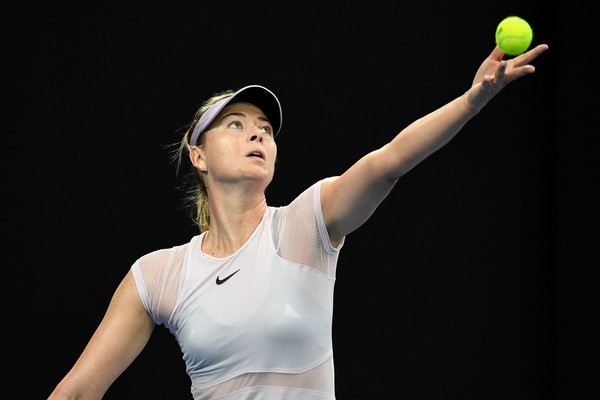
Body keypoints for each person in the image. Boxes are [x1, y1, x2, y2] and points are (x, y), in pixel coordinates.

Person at [48, 44, 548, 400]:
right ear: (198, 156)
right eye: (236, 125)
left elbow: (388, 161)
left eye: (265, 129)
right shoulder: (160, 275)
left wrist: (471, 100)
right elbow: (77, 393)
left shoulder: (305, 227)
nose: (257, 135)